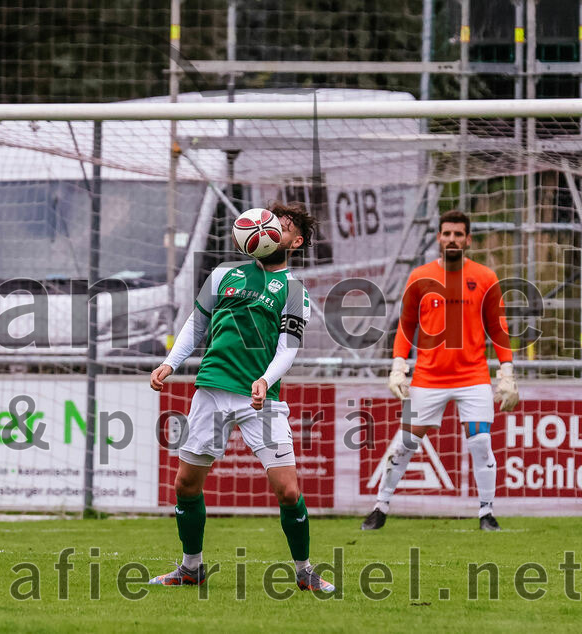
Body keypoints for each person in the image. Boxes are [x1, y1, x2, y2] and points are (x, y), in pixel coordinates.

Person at [148, 202, 334, 592]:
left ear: (295, 242)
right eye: (268, 222)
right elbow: (195, 325)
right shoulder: (223, 274)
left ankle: (304, 571)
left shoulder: (294, 290)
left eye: (281, 227)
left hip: (259, 399)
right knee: (186, 485)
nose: (271, 229)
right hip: (212, 389)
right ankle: (190, 568)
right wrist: (170, 363)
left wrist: (265, 380)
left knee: (288, 490)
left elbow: (288, 348)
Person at [362, 209, 518, 532]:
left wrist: (507, 372)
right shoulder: (419, 277)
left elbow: (498, 328)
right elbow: (405, 327)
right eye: (446, 234)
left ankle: (486, 513)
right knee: (405, 442)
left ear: (468, 239)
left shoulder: (486, 277)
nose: (452, 239)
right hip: (428, 378)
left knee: (480, 442)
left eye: (458, 234)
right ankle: (380, 507)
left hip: (473, 376)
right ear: (438, 237)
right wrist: (398, 366)